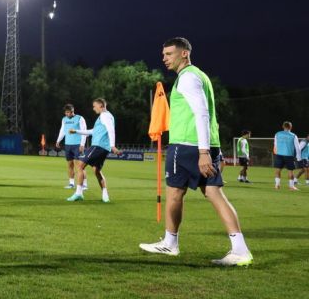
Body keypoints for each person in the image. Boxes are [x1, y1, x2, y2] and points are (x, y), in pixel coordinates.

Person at [140, 37, 253, 266]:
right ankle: (238, 249)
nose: (164, 58)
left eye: (169, 54)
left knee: (179, 194)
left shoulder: (189, 77)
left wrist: (202, 153)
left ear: (184, 54)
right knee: (207, 194)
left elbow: (201, 114)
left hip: (189, 147)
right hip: (202, 145)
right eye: (163, 54)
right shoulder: (197, 75)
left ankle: (172, 243)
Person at [66, 98, 120, 202]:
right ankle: (105, 196)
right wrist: (76, 131)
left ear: (101, 106)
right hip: (103, 148)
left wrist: (113, 145)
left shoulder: (104, 116)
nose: (93, 108)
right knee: (97, 170)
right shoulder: (107, 116)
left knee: (80, 166)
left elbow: (111, 130)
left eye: (95, 106)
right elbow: (93, 131)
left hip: (98, 146)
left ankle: (78, 193)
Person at [56, 104, 87, 188]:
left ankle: (84, 184)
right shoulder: (64, 119)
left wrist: (82, 144)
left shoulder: (80, 118)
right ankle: (71, 183)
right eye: (67, 112)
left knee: (80, 165)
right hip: (68, 144)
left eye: (70, 112)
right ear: (65, 112)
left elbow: (84, 132)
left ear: (73, 111)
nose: (68, 114)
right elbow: (62, 130)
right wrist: (58, 140)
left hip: (77, 145)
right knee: (70, 164)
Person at [273, 121, 299, 191]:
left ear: (283, 126)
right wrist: (299, 157)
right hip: (289, 155)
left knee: (278, 170)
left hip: (279, 154)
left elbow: (275, 145)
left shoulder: (277, 134)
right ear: (291, 127)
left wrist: (276, 153)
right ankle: (291, 186)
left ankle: (277, 185)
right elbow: (297, 147)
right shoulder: (293, 135)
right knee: (290, 171)